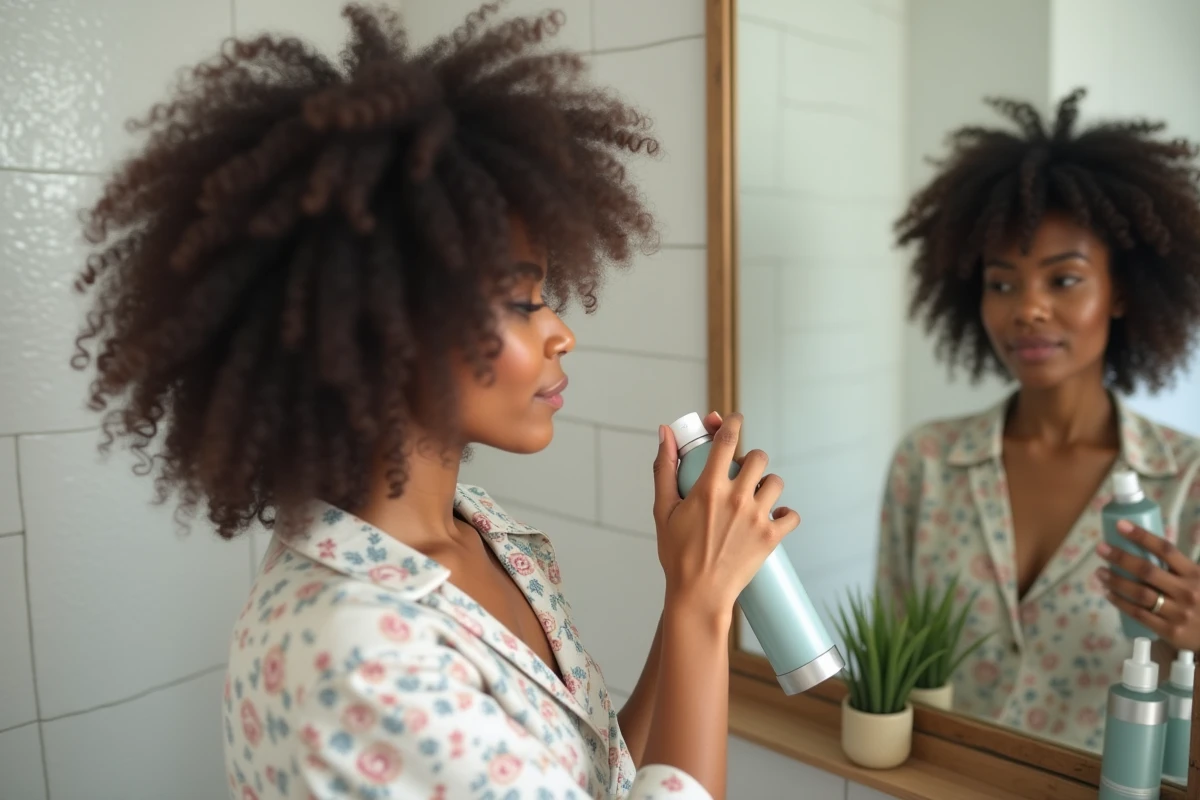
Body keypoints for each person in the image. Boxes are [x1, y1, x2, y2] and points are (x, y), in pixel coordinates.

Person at [70, 4, 800, 798]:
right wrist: (700, 612)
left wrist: (689, 588)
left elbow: (594, 779)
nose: (562, 334)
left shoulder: (484, 535)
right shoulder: (358, 651)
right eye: (524, 302)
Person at [877, 87, 1200, 751]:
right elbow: (892, 677)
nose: (1027, 309)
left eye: (1064, 279)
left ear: (1122, 293)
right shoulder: (927, 462)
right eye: (1002, 283)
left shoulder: (1187, 483)